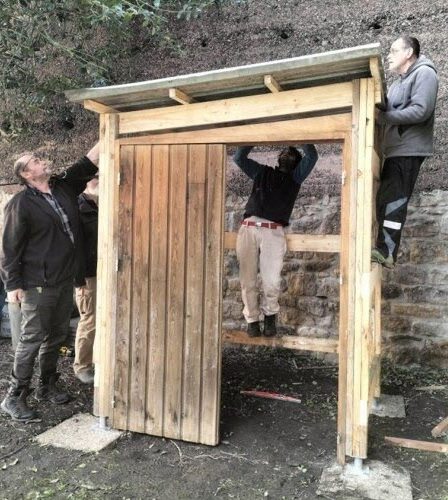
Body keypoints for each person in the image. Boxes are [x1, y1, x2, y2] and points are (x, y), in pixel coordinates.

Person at [0, 143, 99, 421]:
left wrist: (108, 134)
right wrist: (12, 285)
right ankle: (14, 396)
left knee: (56, 335)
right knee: (31, 339)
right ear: (26, 174)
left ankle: (47, 385)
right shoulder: (21, 203)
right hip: (37, 284)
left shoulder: (62, 188)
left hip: (64, 279)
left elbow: (87, 162)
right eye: (35, 160)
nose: (42, 160)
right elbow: (9, 247)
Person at [234, 144, 318, 337]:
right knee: (247, 280)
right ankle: (252, 320)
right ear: (278, 159)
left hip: (273, 232)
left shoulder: (295, 178)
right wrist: (255, 138)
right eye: (285, 152)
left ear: (297, 163)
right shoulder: (262, 172)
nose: (287, 154)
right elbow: (239, 158)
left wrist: (300, 137)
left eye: (292, 154)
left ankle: (270, 316)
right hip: (249, 228)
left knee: (271, 280)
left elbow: (312, 156)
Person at [372, 35, 439, 268]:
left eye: (393, 50)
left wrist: (384, 117)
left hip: (408, 150)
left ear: (409, 53)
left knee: (394, 202)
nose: (388, 56)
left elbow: (421, 110)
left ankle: (387, 252)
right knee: (385, 199)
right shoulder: (397, 84)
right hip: (395, 152)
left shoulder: (425, 73)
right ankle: (384, 249)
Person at [73, 174, 99, 384]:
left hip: (108, 270)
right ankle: (82, 366)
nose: (99, 180)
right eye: (94, 177)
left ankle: (100, 360)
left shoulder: (105, 204)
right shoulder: (77, 207)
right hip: (88, 275)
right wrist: (78, 278)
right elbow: (73, 246)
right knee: (90, 320)